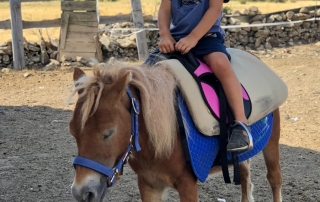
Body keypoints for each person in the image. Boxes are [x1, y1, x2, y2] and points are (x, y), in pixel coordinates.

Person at [144, 0, 252, 152]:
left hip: (206, 36)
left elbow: (215, 8)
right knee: (145, 74)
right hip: (176, 39)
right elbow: (164, 10)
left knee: (220, 64)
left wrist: (194, 37)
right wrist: (164, 35)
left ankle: (241, 123)